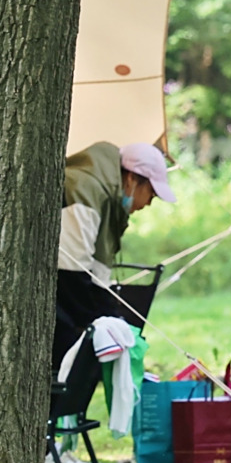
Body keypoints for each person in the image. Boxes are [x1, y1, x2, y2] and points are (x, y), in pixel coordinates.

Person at [55, 141, 175, 363]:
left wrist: (116, 323)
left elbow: (97, 277)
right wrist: (100, 323)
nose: (149, 203)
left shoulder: (107, 202)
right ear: (131, 179)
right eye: (151, 193)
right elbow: (72, 271)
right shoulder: (85, 190)